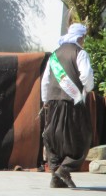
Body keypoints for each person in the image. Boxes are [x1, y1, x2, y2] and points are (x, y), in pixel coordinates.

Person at [41, 23, 94, 189]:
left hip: (53, 102)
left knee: (54, 139)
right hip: (72, 103)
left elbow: (45, 80)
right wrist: (88, 89)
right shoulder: (80, 53)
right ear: (80, 37)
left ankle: (56, 176)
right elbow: (86, 75)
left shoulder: (55, 54)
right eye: (84, 37)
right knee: (82, 137)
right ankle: (63, 170)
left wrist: (45, 100)